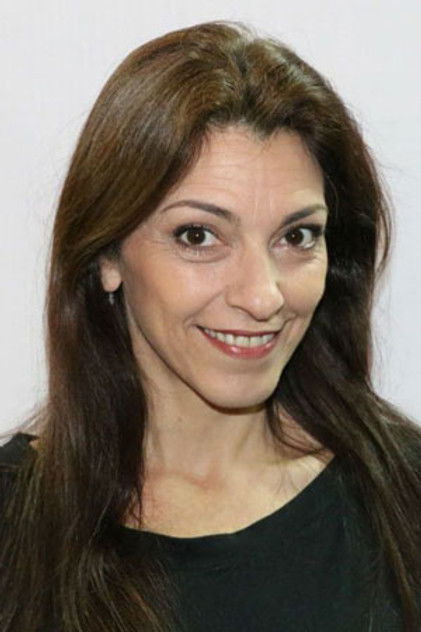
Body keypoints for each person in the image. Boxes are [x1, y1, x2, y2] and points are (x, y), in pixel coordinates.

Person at [1, 20, 421, 632]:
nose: (262, 295)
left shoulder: (405, 494)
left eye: (297, 236)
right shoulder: (14, 530)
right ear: (107, 255)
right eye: (198, 236)